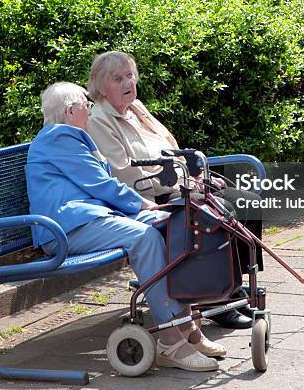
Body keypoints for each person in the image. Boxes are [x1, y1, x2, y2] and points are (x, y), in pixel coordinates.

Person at [25, 81, 226, 372]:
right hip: (67, 228)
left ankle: (189, 330)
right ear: (71, 111)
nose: (90, 109)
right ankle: (171, 341)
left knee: (172, 224)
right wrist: (143, 204)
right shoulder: (60, 138)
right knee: (146, 236)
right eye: (86, 104)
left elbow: (99, 185)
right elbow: (100, 183)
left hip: (92, 218)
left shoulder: (71, 136)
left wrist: (150, 208)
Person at [87, 51, 264, 330]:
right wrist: (183, 186)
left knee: (248, 203)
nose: (127, 83)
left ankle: (231, 286)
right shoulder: (99, 120)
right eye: (117, 78)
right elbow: (127, 173)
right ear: (100, 85)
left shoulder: (137, 109)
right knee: (218, 213)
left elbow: (170, 147)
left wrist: (196, 177)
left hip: (178, 185)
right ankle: (214, 300)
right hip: (151, 197)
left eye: (130, 75)